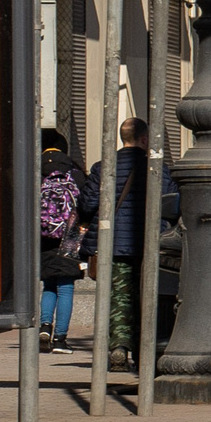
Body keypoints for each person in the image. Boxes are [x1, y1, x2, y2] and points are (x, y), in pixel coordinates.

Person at [88, 117, 162, 371]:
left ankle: (119, 348)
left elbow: (87, 205)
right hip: (149, 244)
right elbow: (171, 201)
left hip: (113, 244)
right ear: (144, 139)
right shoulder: (155, 168)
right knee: (149, 298)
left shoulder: (102, 167)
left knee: (119, 298)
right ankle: (146, 352)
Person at [35, 129, 94, 353]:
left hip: (43, 234)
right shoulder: (75, 170)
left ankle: (44, 326)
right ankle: (60, 339)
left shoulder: (34, 168)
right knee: (66, 285)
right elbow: (87, 203)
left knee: (49, 282)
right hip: (71, 234)